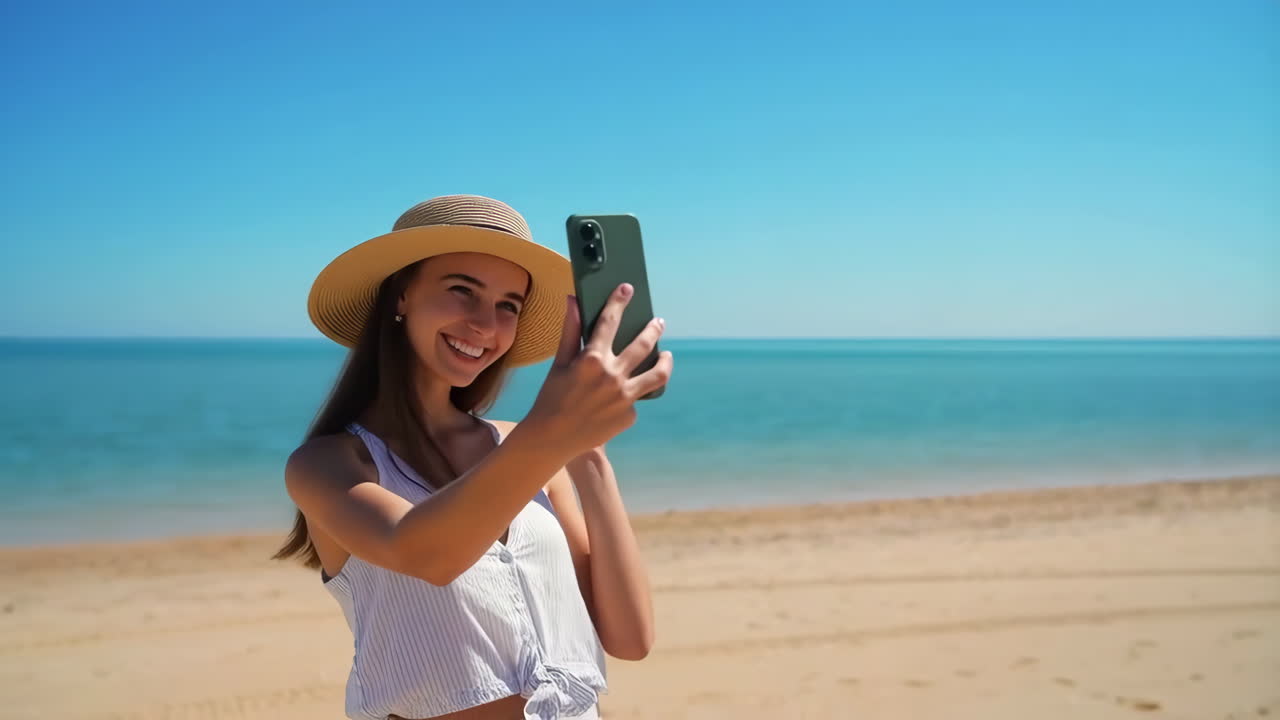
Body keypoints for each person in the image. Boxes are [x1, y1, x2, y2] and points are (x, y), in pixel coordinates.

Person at [274, 194, 673, 720]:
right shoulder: (330, 465)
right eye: (462, 290)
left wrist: (589, 454)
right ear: (400, 296)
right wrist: (552, 430)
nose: (485, 324)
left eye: (509, 304)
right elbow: (425, 554)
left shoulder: (533, 450)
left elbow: (629, 638)